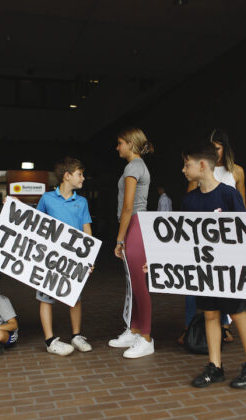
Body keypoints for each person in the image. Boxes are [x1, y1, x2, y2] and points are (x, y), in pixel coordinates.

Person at [182, 143, 246, 389]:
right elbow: (181, 237)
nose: (183, 170)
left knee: (236, 312)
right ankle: (215, 366)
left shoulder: (228, 194)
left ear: (202, 165)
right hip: (205, 269)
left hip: (230, 268)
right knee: (210, 314)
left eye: (187, 164)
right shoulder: (190, 199)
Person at [186, 129, 246, 343]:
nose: (213, 151)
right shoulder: (195, 179)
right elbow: (188, 216)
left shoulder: (235, 173)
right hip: (203, 249)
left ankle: (225, 325)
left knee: (231, 299)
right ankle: (192, 327)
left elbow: (243, 214)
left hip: (226, 246)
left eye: (217, 147)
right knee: (198, 291)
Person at [34, 157, 94, 355]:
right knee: (45, 298)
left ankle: (76, 336)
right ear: (67, 176)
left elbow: (87, 231)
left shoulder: (82, 201)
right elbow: (34, 226)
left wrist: (89, 258)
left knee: (75, 298)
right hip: (50, 258)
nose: (83, 178)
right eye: (80, 174)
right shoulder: (47, 199)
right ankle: (50, 341)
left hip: (74, 259)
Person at [108, 127, 155, 358]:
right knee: (134, 284)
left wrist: (119, 239)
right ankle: (135, 330)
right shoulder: (137, 166)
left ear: (129, 143)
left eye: (119, 143)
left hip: (135, 227)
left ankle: (146, 337)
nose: (117, 148)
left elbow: (128, 207)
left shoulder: (133, 166)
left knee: (139, 285)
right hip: (136, 226)